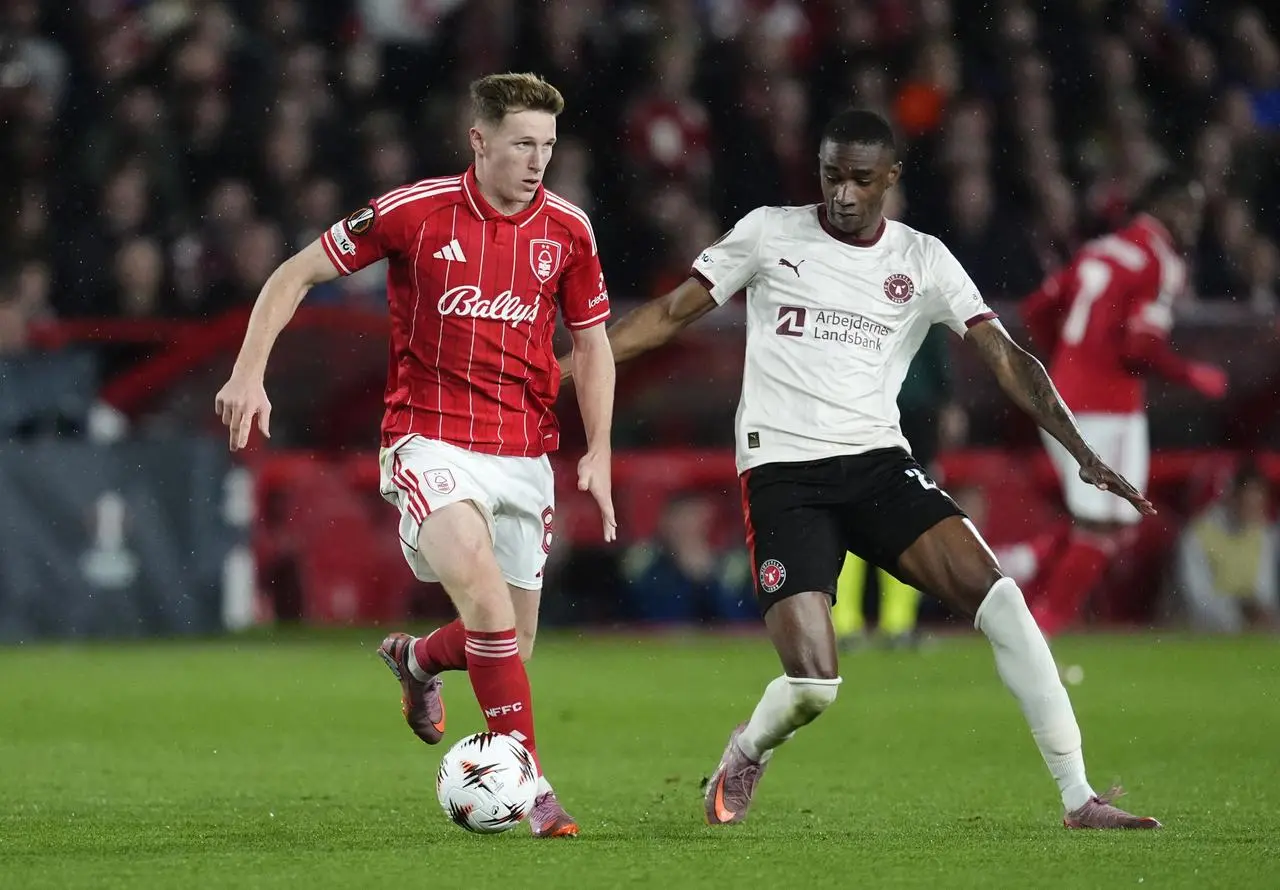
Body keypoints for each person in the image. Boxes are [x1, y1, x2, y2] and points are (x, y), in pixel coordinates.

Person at [565, 109, 1162, 829]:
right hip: (783, 473)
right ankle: (749, 747)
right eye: (831, 176)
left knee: (1002, 602)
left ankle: (1079, 797)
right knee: (815, 685)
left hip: (878, 465)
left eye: (860, 179)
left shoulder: (923, 259)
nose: (843, 193)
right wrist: (570, 367)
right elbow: (667, 314)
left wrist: (1082, 451)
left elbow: (1007, 358)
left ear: (891, 179)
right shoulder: (768, 232)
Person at [215, 73, 616, 839]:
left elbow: (592, 344)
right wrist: (248, 371)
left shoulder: (568, 230)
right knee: (492, 611)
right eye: (522, 144)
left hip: (524, 452)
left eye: (549, 147)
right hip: (428, 440)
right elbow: (294, 272)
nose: (538, 161)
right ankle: (533, 790)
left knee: (510, 643)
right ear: (480, 140)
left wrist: (597, 447)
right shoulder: (415, 212)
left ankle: (420, 661)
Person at [1021, 172, 1228, 637]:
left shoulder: (1100, 249)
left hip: (1064, 395)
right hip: (1108, 405)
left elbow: (1036, 309)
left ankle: (1030, 586)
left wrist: (1065, 362)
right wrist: (1192, 374)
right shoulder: (1159, 261)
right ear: (1166, 208)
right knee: (1107, 524)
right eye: (1190, 209)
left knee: (1106, 520)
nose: (1195, 221)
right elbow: (1139, 348)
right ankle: (1040, 626)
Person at [1175, 462, 1278, 633]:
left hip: (1251, 632)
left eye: (1257, 506)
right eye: (1247, 504)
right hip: (1203, 634)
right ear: (1233, 498)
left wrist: (1260, 613)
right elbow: (1196, 600)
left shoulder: (1263, 535)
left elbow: (1265, 593)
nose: (1253, 512)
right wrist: (1238, 613)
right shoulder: (1198, 535)